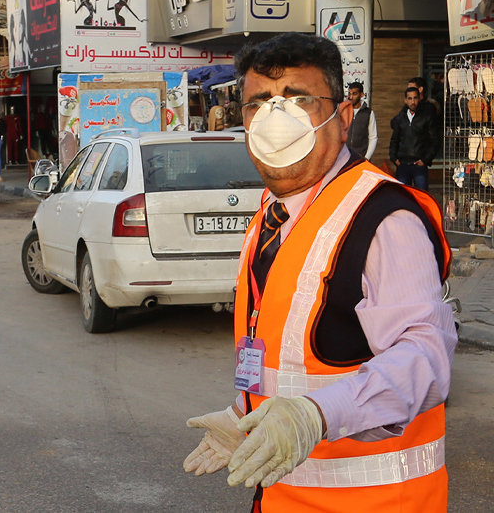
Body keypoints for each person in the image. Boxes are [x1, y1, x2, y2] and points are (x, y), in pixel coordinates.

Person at [183, 33, 452, 512]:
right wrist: (249, 415)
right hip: (284, 497)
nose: (275, 117)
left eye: (298, 99)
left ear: (344, 118)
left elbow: (425, 360)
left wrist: (314, 416)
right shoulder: (275, 211)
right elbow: (291, 358)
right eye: (259, 102)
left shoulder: (384, 218)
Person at [389, 87, 435, 191]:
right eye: (410, 98)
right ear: (405, 100)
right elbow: (394, 140)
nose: (412, 101)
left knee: (422, 198)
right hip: (403, 164)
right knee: (404, 198)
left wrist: (425, 160)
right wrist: (394, 159)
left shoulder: (426, 117)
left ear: (419, 98)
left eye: (415, 98)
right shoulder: (400, 118)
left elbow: (434, 140)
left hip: (419, 165)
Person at [344, 81, 377, 160]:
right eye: (349, 93)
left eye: (354, 94)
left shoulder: (368, 113)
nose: (351, 97)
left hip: (360, 157)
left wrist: (367, 157)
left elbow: (373, 137)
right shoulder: (344, 111)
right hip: (344, 157)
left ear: (362, 94)